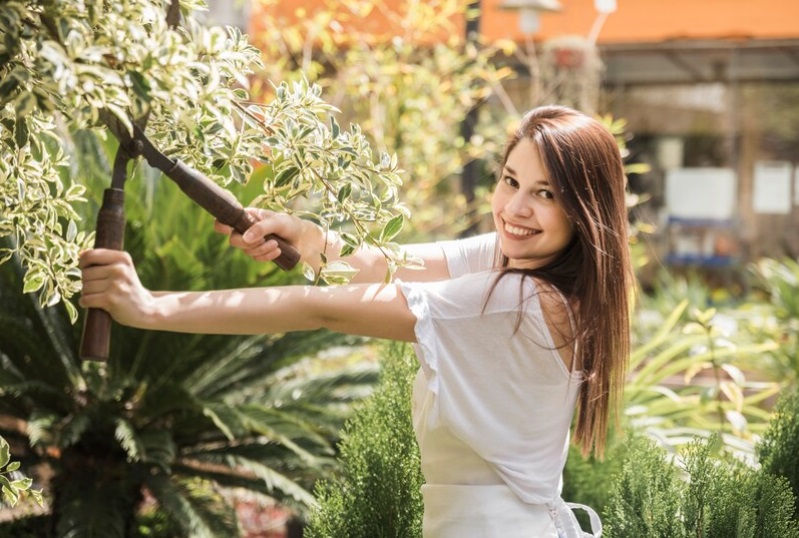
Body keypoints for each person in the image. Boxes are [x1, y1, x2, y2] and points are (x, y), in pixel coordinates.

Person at [80, 105, 632, 537]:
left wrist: (150, 307)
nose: (515, 208)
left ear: (584, 212)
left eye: (546, 194)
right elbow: (387, 262)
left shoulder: (517, 301)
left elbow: (320, 307)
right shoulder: (523, 263)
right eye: (510, 180)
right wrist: (306, 237)